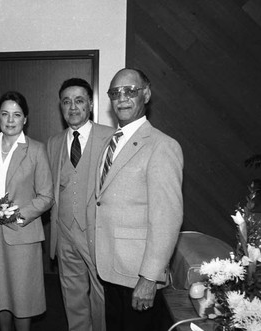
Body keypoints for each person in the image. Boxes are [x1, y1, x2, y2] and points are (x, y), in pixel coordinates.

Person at [95, 68, 183, 331]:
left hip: (138, 276)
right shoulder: (111, 142)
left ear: (146, 94)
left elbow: (167, 219)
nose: (121, 98)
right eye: (115, 93)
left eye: (130, 91)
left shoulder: (162, 146)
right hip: (111, 269)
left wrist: (149, 278)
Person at [0, 91, 54, 331]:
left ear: (25, 119)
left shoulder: (36, 150)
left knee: (22, 298)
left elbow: (47, 196)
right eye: (5, 114)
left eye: (17, 115)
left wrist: (19, 214)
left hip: (22, 233)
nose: (10, 120)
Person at [47, 78, 114, 331]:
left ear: (90, 104)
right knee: (71, 294)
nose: (72, 107)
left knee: (102, 295)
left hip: (97, 231)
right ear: (61, 107)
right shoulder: (53, 143)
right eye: (66, 101)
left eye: (79, 100)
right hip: (64, 232)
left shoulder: (110, 138)